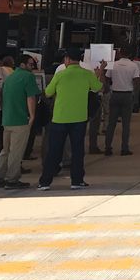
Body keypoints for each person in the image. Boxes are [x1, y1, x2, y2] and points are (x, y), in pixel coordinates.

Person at [37, 47, 103, 191]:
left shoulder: (60, 75)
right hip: (79, 118)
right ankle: (77, 181)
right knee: (78, 150)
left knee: (54, 150)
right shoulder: (87, 74)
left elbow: (48, 93)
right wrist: (99, 74)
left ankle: (45, 182)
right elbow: (98, 88)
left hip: (59, 118)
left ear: (67, 59)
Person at [0, 53, 39, 190]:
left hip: (7, 119)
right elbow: (31, 97)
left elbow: (2, 97)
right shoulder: (28, 77)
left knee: (5, 150)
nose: (32, 67)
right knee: (16, 152)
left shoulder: (10, 77)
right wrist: (32, 115)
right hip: (21, 119)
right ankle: (12, 179)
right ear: (23, 65)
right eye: (31, 64)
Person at [103, 49, 140, 156]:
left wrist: (108, 88)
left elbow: (106, 78)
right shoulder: (133, 66)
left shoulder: (113, 65)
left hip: (115, 94)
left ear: (119, 54)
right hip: (127, 95)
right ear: (130, 54)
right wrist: (134, 93)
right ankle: (124, 148)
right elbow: (136, 81)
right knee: (126, 124)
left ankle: (108, 147)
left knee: (111, 123)